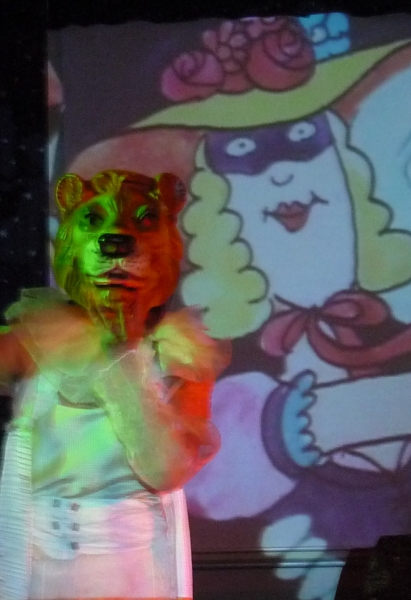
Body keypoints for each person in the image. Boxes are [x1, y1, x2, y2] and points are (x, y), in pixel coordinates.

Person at [0, 169, 230, 600]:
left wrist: (120, 362)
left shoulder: (179, 353)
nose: (116, 244)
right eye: (94, 222)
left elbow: (164, 469)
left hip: (133, 576)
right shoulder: (36, 336)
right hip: (42, 576)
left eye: (142, 224)